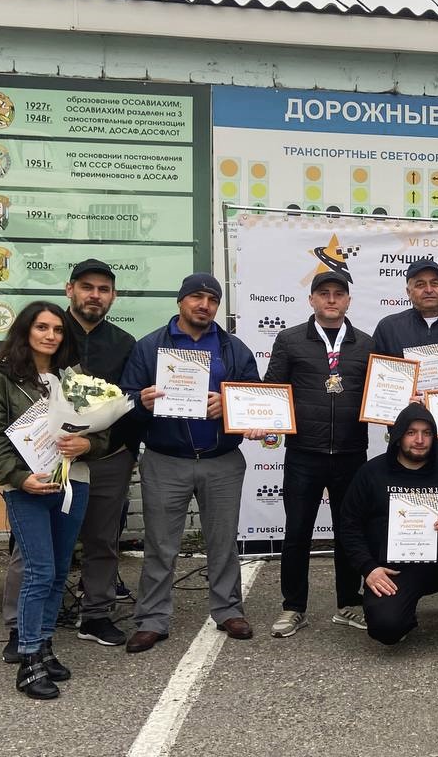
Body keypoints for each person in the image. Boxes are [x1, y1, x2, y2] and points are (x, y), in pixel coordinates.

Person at [0, 259, 140, 658]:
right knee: (32, 549)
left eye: (103, 289)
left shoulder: (124, 343)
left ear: (113, 296)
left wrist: (112, 444)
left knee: (103, 540)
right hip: (45, 457)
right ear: (70, 289)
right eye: (87, 287)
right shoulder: (52, 335)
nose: (95, 295)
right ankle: (20, 626)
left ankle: (95, 614)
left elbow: (126, 400)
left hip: (107, 456)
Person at [120, 273, 261, 653]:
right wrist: (141, 402)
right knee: (160, 544)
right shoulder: (150, 347)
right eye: (197, 297)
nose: (204, 305)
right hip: (166, 460)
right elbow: (125, 400)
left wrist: (229, 405)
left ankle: (228, 610)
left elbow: (254, 397)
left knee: (222, 541)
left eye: (212, 300)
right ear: (181, 301)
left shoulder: (233, 348)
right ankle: (152, 618)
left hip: (221, 460)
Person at [0, 302, 106, 699]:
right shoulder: (1, 379)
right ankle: (28, 658)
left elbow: (101, 434)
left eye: (58, 329)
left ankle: (44, 646)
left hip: (73, 484)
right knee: (39, 571)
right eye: (42, 327)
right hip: (28, 488)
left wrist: (87, 445)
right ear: (25, 331)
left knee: (59, 569)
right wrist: (19, 478)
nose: (50, 335)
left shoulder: (75, 379)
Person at [264, 270, 373, 638]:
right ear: (311, 299)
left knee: (349, 531)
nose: (331, 299)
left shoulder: (366, 344)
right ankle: (293, 607)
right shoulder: (290, 339)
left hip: (351, 453)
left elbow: (380, 394)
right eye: (323, 293)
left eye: (338, 294)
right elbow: (273, 390)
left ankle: (348, 603)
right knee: (297, 532)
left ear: (348, 301)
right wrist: (258, 418)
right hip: (303, 453)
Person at [342, 403, 438, 663]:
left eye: (427, 433)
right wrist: (369, 568)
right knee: (386, 628)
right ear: (398, 435)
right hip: (394, 570)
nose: (420, 440)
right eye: (411, 432)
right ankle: (403, 615)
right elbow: (349, 525)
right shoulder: (372, 472)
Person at [372, 257, 438, 474]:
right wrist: (400, 401)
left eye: (434, 283)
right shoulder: (388, 328)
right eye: (420, 284)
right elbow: (377, 386)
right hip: (405, 436)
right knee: (403, 492)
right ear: (408, 291)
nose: (429, 289)